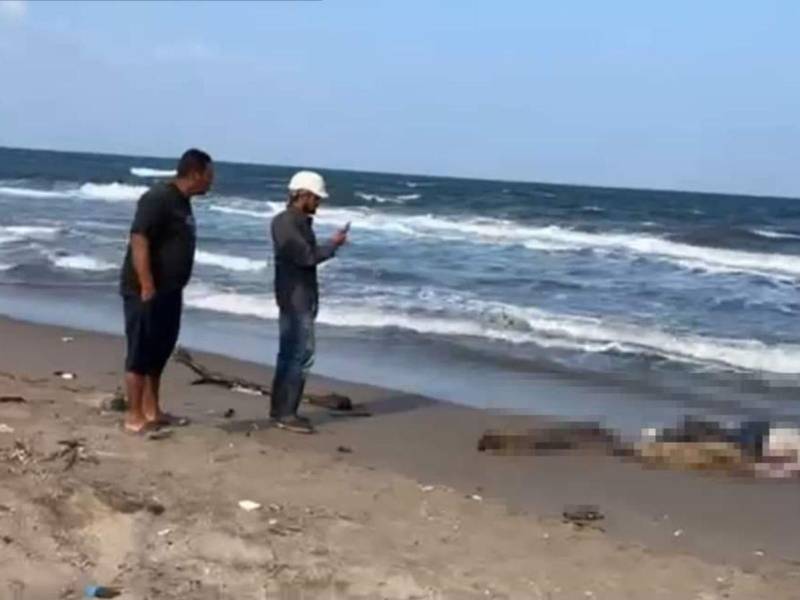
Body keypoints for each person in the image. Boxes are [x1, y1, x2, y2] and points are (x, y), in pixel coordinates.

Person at [119, 148, 214, 433]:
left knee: (159, 352)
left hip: (171, 291)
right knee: (140, 351)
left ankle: (152, 410)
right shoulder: (158, 198)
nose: (211, 182)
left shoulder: (183, 202)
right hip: (145, 290)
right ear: (195, 174)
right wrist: (147, 282)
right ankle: (134, 415)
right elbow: (139, 238)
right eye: (209, 176)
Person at [270, 171, 347, 433]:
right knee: (298, 355)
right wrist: (332, 245)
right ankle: (285, 413)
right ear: (302, 195)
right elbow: (305, 256)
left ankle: (283, 410)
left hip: (299, 297)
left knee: (294, 354)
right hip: (295, 299)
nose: (318, 203)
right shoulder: (285, 223)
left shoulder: (297, 222)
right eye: (315, 198)